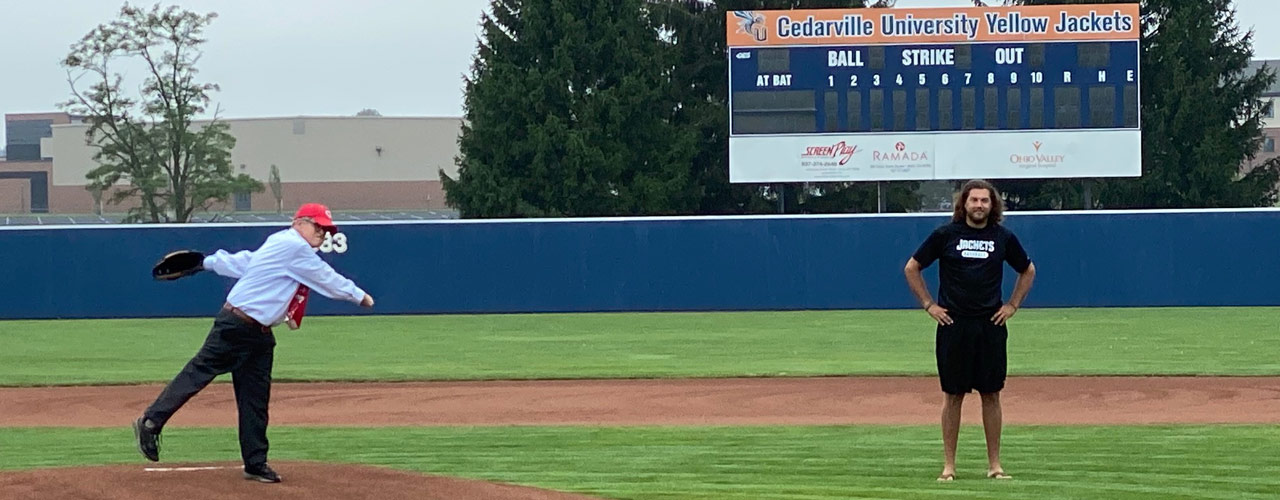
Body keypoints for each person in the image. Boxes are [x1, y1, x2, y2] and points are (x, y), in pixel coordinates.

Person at [132, 203, 375, 483]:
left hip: (259, 333)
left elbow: (245, 262)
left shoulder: (281, 245)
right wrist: (359, 295)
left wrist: (207, 263)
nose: (322, 233)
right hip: (237, 325)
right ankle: (150, 422)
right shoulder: (294, 246)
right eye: (318, 226)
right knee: (199, 373)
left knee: (255, 399)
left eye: (326, 230)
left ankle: (255, 462)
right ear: (299, 223)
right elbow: (325, 277)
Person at [902, 179, 1036, 482]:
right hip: (954, 324)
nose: (979, 206)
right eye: (973, 200)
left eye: (984, 201)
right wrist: (928, 304)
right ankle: (949, 466)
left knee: (991, 394)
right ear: (963, 204)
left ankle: (995, 465)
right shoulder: (945, 235)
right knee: (953, 395)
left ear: (993, 205)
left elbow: (1028, 270)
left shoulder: (1003, 238)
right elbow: (912, 267)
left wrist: (1013, 305)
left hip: (990, 325)